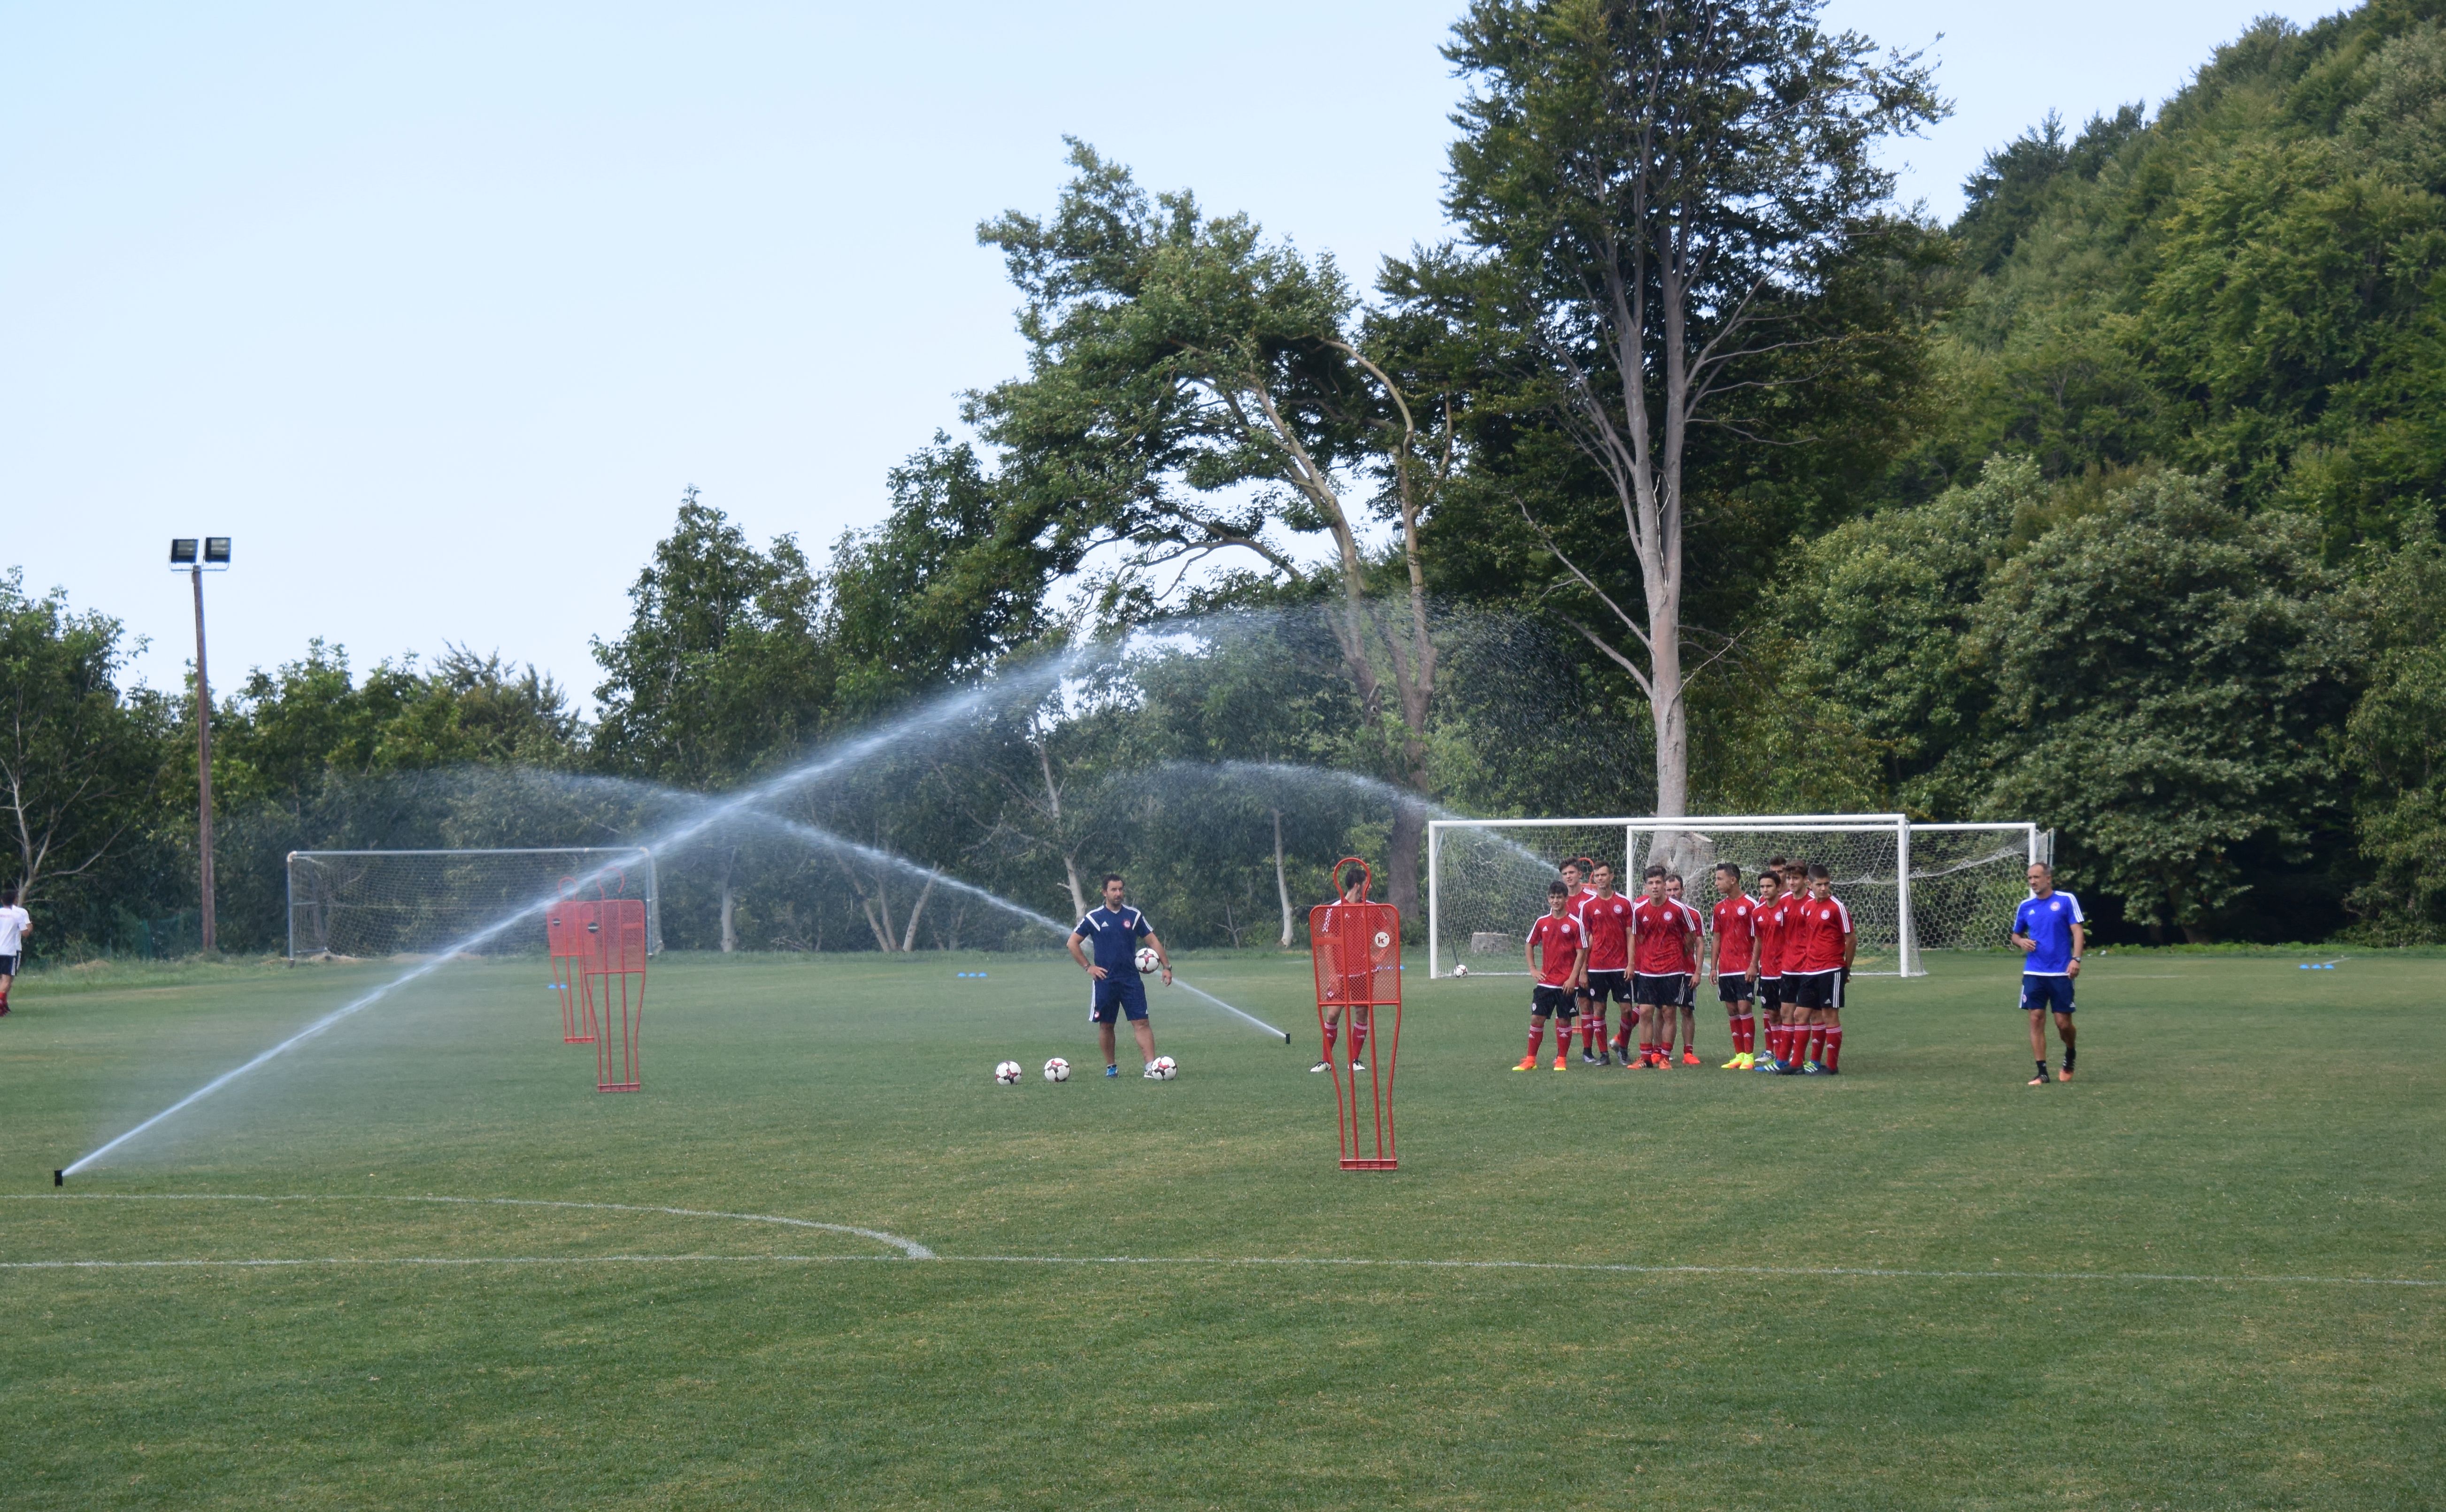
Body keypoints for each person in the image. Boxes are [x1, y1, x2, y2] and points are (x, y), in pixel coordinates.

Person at [1067, 873, 1172, 1079]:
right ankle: (1111, 1067)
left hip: (1131, 980)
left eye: (1121, 889)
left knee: (1142, 1023)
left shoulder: (1134, 916)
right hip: (1105, 981)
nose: (1118, 893)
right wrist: (1089, 967)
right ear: (1104, 892)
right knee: (1107, 1025)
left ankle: (1150, 1067)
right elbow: (1072, 943)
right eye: (1114, 890)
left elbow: (1153, 941)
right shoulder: (1094, 918)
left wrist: (1167, 966)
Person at [2011, 861, 2084, 1085]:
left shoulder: (2065, 900)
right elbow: (2015, 935)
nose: (2033, 882)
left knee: (2063, 1024)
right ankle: (2042, 1072)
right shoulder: (2026, 906)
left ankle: (2070, 1052)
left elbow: (2078, 932)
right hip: (2034, 971)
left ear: (2048, 879)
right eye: (2029, 878)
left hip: (2061, 972)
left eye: (2036, 877)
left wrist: (2076, 959)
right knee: (2036, 1018)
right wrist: (2021, 941)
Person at [1777, 863, 1854, 1075]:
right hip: (1809, 970)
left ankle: (1831, 1066)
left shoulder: (1836, 907)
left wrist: (1846, 968)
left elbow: (1851, 939)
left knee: (1829, 1016)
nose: (1824, 888)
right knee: (1800, 1014)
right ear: (1811, 884)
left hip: (1831, 969)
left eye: (1827, 884)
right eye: (1820, 884)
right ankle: (1796, 1065)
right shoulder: (1807, 908)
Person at [1627, 866, 1698, 1069]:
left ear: (1664, 884)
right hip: (1648, 971)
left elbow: (1691, 937)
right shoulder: (1639, 911)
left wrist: (1677, 954)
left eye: (1659, 882)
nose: (1655, 887)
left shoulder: (1678, 909)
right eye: (1651, 883)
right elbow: (1636, 937)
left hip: (1672, 970)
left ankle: (1665, 1057)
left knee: (1669, 1012)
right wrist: (1633, 964)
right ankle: (1645, 1058)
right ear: (1646, 887)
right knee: (1646, 1012)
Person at [1517, 880, 1586, 1071]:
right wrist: (1533, 969)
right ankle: (1531, 1060)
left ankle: (1562, 1059)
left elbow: (1582, 952)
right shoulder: (1542, 922)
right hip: (1546, 983)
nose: (1556, 901)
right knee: (1536, 1019)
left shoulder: (1575, 923)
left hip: (1566, 983)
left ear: (1566, 899)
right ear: (1549, 899)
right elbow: (1529, 944)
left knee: (1565, 1020)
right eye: (1553, 897)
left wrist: (1573, 977)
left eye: (1559, 898)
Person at [1313, 865, 1374, 1074]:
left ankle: (1354, 1060)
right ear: (1358, 886)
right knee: (1333, 1014)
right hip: (1340, 972)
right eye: (1367, 884)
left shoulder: (1371, 907)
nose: (1370, 887)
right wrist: (1332, 973)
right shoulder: (1335, 909)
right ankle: (1325, 1061)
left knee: (1361, 1013)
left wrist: (1378, 955)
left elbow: (1388, 932)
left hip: (1364, 972)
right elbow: (1327, 942)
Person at [1576, 863, 1635, 1065]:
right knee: (1598, 1010)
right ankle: (1604, 1055)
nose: (1600, 879)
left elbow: (1630, 935)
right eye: (1597, 876)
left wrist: (1631, 964)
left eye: (1604, 875)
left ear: (1612, 876)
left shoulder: (1625, 904)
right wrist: (1583, 970)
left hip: (1620, 968)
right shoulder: (1588, 906)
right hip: (1597, 967)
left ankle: (1623, 1049)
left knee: (1627, 1009)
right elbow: (1585, 940)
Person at [1706, 863, 1761, 1067]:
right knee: (1731, 1010)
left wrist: (1754, 965)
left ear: (1733, 880)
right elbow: (1717, 938)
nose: (1716, 883)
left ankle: (1750, 1055)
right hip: (1727, 968)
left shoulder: (1750, 905)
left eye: (1720, 879)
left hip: (1745, 966)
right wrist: (1714, 967)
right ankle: (1739, 1054)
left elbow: (1758, 938)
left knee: (1744, 1007)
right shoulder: (1719, 908)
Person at [1750, 865, 1787, 1071]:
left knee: (1787, 1012)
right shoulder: (1757, 913)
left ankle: (1787, 1054)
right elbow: (1758, 941)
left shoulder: (1787, 909)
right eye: (1762, 886)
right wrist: (1754, 965)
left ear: (1778, 887)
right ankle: (1778, 1052)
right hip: (1768, 972)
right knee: (1772, 1013)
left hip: (1787, 970)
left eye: (1769, 886)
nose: (1765, 890)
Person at [1665, 872, 1702, 1064]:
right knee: (1664, 1011)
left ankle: (1688, 1053)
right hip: (1665, 972)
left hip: (1687, 971)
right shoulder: (1660, 912)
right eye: (1669, 890)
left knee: (1687, 1010)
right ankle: (1661, 1051)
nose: (1672, 894)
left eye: (1676, 890)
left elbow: (1700, 944)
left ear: (1683, 890)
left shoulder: (1693, 914)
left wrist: (1697, 972)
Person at [0, 886, 26, 1016]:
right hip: (9, 952)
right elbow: (26, 933)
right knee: (6, 981)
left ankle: (3, 1004)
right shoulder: (17, 915)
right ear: (15, 900)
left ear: (2, 901)